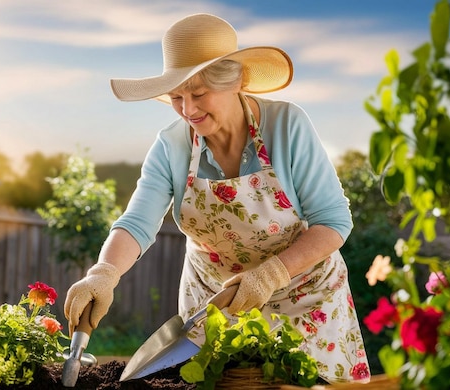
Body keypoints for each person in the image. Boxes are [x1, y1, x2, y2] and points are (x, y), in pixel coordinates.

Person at [64, 13, 371, 384]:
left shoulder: (287, 127)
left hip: (304, 298)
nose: (188, 110)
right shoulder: (171, 145)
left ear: (237, 81)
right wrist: (104, 273)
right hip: (213, 304)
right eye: (177, 97)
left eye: (199, 94)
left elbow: (334, 221)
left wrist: (271, 274)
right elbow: (136, 224)